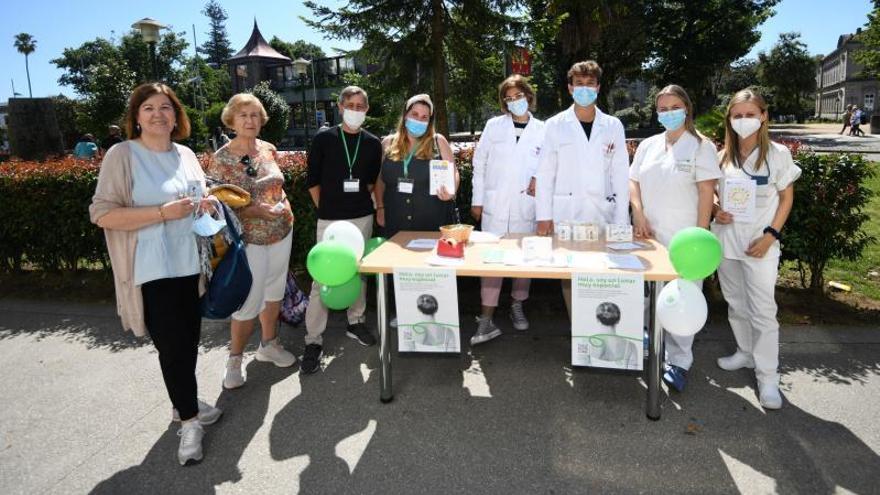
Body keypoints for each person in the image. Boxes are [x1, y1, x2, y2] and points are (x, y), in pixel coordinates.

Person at [89, 82, 221, 466]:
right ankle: (189, 422)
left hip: (189, 267)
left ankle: (186, 401)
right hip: (150, 271)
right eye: (148, 108)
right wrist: (161, 212)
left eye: (166, 107)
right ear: (136, 117)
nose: (158, 114)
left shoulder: (186, 154)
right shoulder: (122, 154)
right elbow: (102, 213)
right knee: (173, 348)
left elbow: (198, 194)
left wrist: (207, 203)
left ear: (177, 116)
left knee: (188, 343)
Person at [712, 89, 801, 410]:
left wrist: (770, 235)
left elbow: (787, 198)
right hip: (727, 243)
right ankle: (745, 354)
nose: (744, 121)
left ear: (764, 116)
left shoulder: (777, 154)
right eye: (738, 115)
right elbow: (713, 195)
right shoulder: (723, 156)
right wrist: (715, 208)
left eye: (751, 114)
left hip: (760, 245)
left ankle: (768, 378)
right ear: (729, 120)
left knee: (763, 311)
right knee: (736, 303)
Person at [629, 84, 721, 392]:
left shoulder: (701, 146)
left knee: (683, 298)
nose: (669, 114)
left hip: (685, 238)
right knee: (645, 294)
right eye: (663, 109)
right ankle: (646, 341)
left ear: (687, 109)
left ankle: (679, 360)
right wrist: (638, 214)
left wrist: (699, 234)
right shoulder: (649, 146)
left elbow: (707, 193)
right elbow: (634, 182)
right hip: (648, 234)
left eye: (674, 107)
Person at [206, 93, 297, 389]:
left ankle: (268, 345)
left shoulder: (268, 148)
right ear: (231, 120)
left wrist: (281, 205)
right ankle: (234, 359)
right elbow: (216, 201)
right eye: (243, 115)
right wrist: (254, 209)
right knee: (249, 299)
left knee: (273, 291)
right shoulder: (221, 158)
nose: (250, 120)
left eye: (255, 115)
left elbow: (276, 184)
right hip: (249, 239)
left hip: (281, 230)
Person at [535, 60, 629, 315]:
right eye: (579, 84)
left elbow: (621, 174)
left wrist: (622, 218)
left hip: (603, 212)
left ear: (598, 87)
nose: (584, 89)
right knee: (570, 271)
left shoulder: (613, 126)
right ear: (570, 88)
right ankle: (578, 325)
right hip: (567, 211)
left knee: (606, 268)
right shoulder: (554, 125)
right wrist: (543, 216)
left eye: (590, 84)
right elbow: (544, 173)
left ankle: (599, 319)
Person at [303, 86, 383, 374]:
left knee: (359, 273)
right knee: (320, 279)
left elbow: (373, 183)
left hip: (362, 217)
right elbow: (313, 180)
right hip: (330, 221)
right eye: (350, 104)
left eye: (361, 105)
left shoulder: (373, 143)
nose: (356, 109)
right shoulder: (324, 139)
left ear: (367, 110)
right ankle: (313, 340)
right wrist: (326, 209)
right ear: (340, 107)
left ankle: (356, 322)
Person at [469, 75, 546, 345]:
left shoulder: (543, 129)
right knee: (491, 264)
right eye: (509, 98)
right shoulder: (494, 126)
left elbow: (549, 166)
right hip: (495, 206)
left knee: (523, 264)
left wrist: (540, 179)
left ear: (529, 96)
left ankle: (517, 304)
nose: (514, 102)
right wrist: (477, 200)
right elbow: (480, 164)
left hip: (527, 206)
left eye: (519, 96)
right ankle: (486, 316)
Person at [375, 93, 458, 239]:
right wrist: (380, 207)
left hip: (433, 223)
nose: (419, 120)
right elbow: (379, 180)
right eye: (415, 114)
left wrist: (451, 191)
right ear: (405, 115)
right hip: (395, 222)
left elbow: (454, 174)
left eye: (424, 117)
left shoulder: (438, 142)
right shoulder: (388, 143)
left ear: (429, 121)